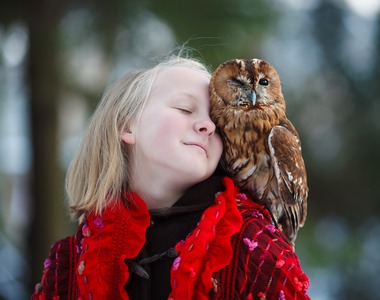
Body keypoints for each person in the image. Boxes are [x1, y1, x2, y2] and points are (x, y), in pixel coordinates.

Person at [31, 53, 310, 300]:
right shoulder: (71, 262)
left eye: (216, 118)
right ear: (127, 126)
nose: (207, 126)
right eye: (185, 110)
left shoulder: (252, 248)